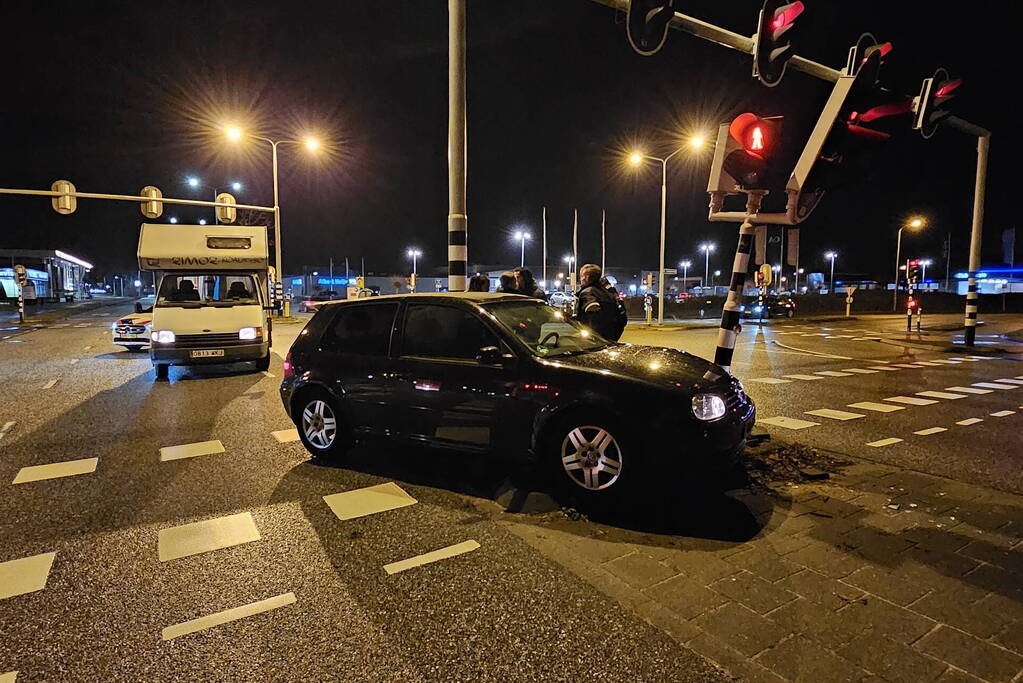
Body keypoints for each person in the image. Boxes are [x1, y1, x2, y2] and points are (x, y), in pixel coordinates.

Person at [574, 264, 627, 341]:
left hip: (594, 341)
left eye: (581, 276)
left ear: (586, 277)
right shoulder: (609, 294)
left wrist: (591, 337)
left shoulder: (588, 293)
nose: (581, 279)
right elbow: (622, 317)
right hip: (611, 339)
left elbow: (592, 314)